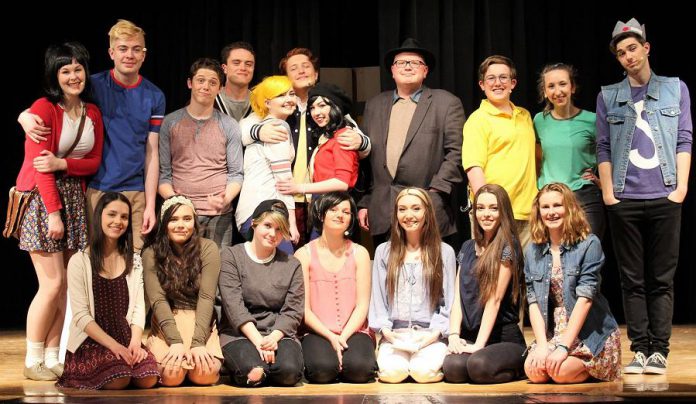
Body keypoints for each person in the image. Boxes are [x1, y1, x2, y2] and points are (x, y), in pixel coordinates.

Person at [20, 19, 165, 251]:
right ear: (111, 52)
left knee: (137, 263)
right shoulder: (93, 85)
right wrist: (24, 115)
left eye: (136, 49)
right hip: (97, 188)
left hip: (136, 190)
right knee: (93, 263)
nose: (130, 55)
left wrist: (150, 205)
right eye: (123, 49)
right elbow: (56, 102)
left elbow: (152, 152)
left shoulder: (154, 96)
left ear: (144, 55)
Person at [597, 18, 692, 375]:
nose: (627, 57)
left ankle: (660, 350)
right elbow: (604, 147)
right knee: (631, 279)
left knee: (661, 278)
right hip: (625, 199)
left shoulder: (674, 88)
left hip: (665, 194)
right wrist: (608, 193)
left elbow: (684, 138)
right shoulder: (609, 95)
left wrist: (680, 188)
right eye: (621, 53)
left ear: (646, 48)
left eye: (632, 48)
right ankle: (639, 349)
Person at [15, 42, 103, 381]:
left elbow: (94, 160)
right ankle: (33, 356)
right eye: (65, 70)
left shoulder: (91, 112)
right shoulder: (43, 107)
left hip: (74, 200)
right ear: (55, 74)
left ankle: (54, 356)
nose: (73, 76)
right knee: (50, 284)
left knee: (66, 285)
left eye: (78, 69)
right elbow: (41, 167)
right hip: (44, 199)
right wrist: (53, 213)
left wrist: (64, 162)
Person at [241, 48, 370, 247]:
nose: (301, 71)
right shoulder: (280, 107)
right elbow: (241, 129)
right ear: (286, 78)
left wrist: (362, 142)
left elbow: (358, 139)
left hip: (321, 197)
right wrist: (258, 131)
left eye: (306, 67)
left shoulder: (327, 106)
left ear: (316, 73)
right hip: (286, 198)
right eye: (294, 68)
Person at [358, 38, 465, 250]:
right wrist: (365, 202)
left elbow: (456, 152)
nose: (407, 66)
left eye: (414, 63)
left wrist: (435, 191)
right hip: (384, 209)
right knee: (389, 277)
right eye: (401, 62)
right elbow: (367, 159)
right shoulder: (374, 105)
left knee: (430, 278)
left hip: (427, 207)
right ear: (392, 71)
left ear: (425, 71)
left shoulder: (445, 103)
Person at [57, 192, 159, 389]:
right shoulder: (80, 261)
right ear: (99, 217)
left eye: (124, 217)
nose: (118, 221)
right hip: (92, 342)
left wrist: (135, 343)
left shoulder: (134, 261)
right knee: (118, 378)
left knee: (148, 377)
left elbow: (139, 307)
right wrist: (114, 347)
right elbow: (81, 316)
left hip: (125, 337)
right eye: (111, 214)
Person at [524, 183, 621, 384]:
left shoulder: (589, 243)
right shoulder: (532, 250)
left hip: (587, 330)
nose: (551, 212)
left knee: (560, 373)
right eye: (546, 207)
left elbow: (585, 299)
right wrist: (542, 345)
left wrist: (563, 347)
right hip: (554, 329)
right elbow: (533, 301)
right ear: (539, 211)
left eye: (557, 205)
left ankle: (593, 367)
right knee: (533, 372)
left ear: (569, 208)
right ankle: (555, 356)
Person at [369, 187, 456, 383]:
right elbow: (378, 300)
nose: (409, 215)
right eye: (402, 209)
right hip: (395, 336)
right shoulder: (384, 252)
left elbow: (448, 301)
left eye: (416, 208)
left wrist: (432, 336)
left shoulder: (444, 252)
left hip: (430, 335)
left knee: (422, 373)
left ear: (427, 212)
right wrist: (388, 334)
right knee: (393, 374)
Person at [443, 184, 526, 384]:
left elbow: (494, 300)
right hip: (470, 334)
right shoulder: (467, 247)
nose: (486, 214)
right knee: (453, 369)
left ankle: (520, 367)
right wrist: (454, 334)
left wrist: (479, 345)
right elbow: (458, 298)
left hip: (502, 337)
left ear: (503, 212)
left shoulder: (508, 245)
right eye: (480, 208)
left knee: (478, 367)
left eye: (493, 208)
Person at [158, 58, 243, 248]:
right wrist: (177, 204)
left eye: (213, 82)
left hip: (218, 216)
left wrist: (226, 198)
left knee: (217, 272)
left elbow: (236, 173)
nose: (206, 86)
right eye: (201, 80)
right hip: (180, 216)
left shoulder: (229, 125)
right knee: (178, 271)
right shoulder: (170, 122)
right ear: (190, 83)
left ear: (220, 88)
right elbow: (164, 175)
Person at [218, 200, 304, 387]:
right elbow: (234, 306)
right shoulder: (231, 256)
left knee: (289, 373)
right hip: (239, 333)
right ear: (254, 223)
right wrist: (259, 341)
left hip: (278, 334)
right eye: (267, 225)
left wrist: (273, 338)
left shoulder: (292, 265)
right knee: (254, 372)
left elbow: (293, 310)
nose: (273, 234)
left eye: (279, 229)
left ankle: (269, 366)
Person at [296, 192, 377, 383]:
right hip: (318, 330)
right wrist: (331, 337)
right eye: (333, 209)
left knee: (360, 370)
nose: (340, 214)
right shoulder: (304, 254)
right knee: (322, 371)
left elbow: (362, 305)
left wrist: (344, 336)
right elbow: (304, 310)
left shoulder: (360, 253)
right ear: (322, 214)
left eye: (346, 211)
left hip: (354, 330)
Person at [142, 195, 222, 386]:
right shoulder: (150, 253)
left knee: (204, 375)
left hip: (200, 322)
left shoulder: (208, 248)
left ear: (194, 222)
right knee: (172, 376)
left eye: (187, 219)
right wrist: (175, 341)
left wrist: (198, 343)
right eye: (173, 219)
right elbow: (158, 301)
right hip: (167, 322)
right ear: (164, 223)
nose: (181, 225)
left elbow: (206, 297)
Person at [462, 55, 536, 249]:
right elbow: (473, 167)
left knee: (527, 276)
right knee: (493, 274)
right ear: (482, 84)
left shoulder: (525, 115)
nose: (497, 83)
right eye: (491, 78)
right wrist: (486, 210)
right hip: (495, 214)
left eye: (503, 78)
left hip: (527, 212)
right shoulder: (478, 120)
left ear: (513, 83)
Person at [534, 63, 605, 240]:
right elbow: (537, 157)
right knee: (554, 257)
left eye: (562, 84)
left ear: (572, 87)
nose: (558, 91)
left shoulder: (591, 120)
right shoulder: (539, 121)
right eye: (551, 86)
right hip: (550, 198)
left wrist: (602, 181)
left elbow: (607, 154)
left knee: (587, 253)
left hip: (584, 197)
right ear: (545, 92)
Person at [236, 75, 299, 254]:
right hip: (264, 212)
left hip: (252, 210)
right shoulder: (277, 128)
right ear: (267, 102)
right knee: (283, 270)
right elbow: (284, 180)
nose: (289, 99)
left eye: (291, 94)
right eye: (281, 95)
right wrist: (291, 223)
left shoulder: (266, 124)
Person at [276, 82, 360, 196]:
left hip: (334, 204)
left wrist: (299, 187)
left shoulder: (343, 136)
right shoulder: (326, 137)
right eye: (312, 108)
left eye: (322, 106)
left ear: (336, 107)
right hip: (324, 202)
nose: (316, 113)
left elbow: (342, 182)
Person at [216, 41, 255, 122]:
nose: (243, 68)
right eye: (236, 63)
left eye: (248, 64)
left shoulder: (263, 103)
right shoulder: (208, 99)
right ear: (224, 68)